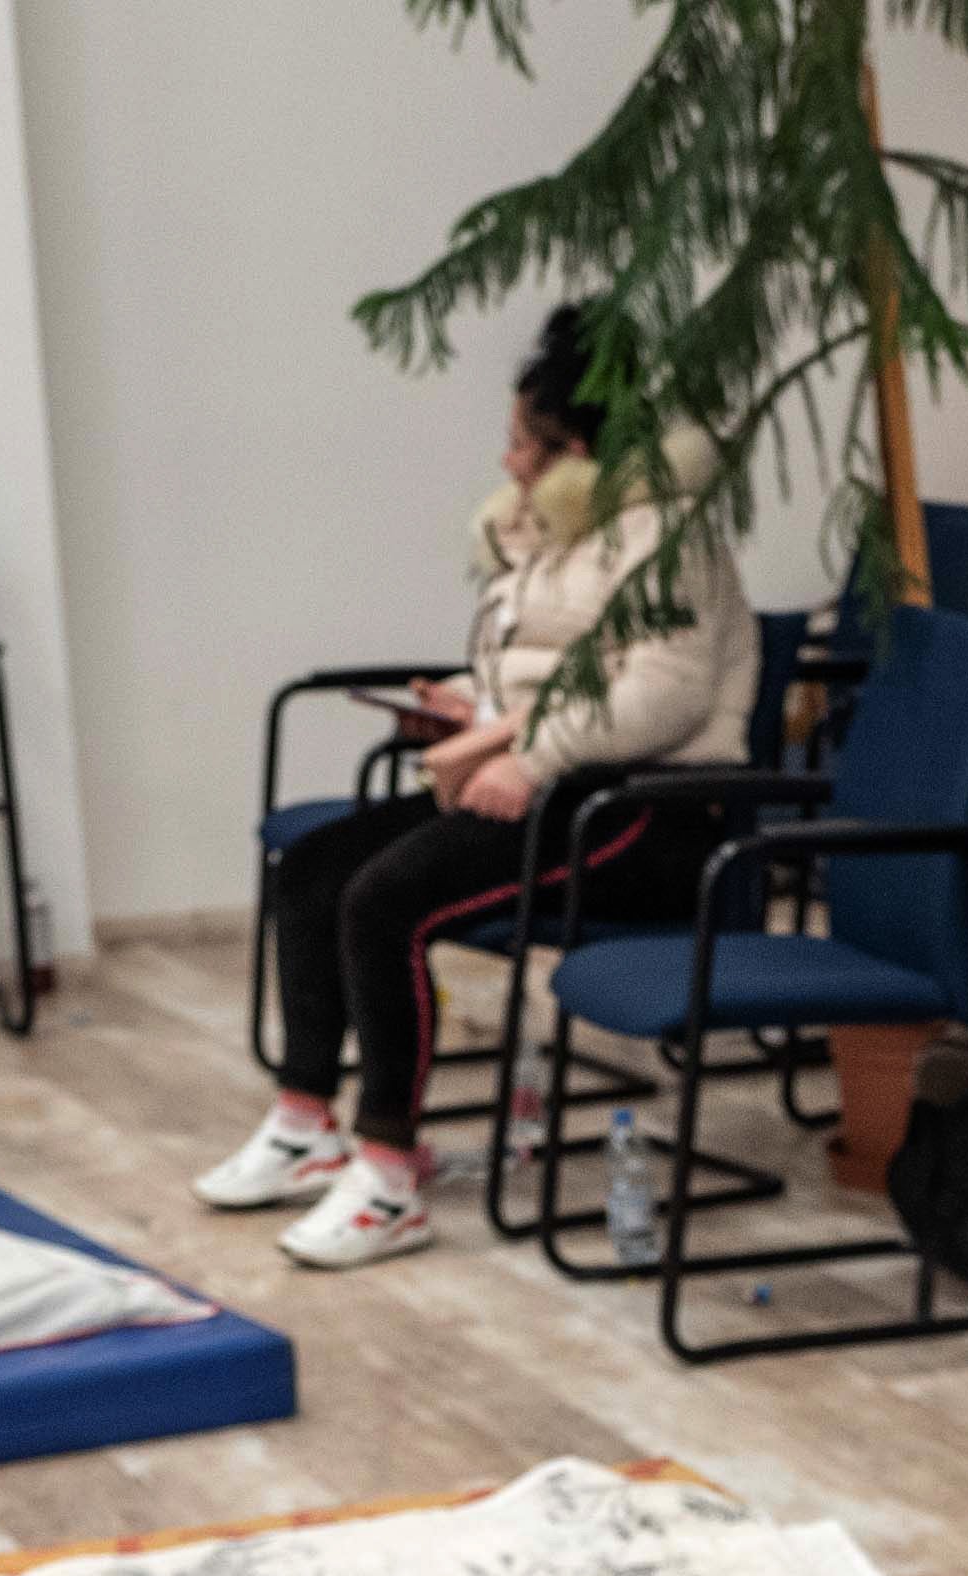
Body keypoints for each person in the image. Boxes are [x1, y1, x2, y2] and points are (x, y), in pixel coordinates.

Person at [193, 302, 750, 1272]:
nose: (508, 465)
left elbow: (661, 698)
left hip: (640, 813)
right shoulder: (556, 533)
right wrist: (460, 707)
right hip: (544, 783)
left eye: (522, 445)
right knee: (315, 868)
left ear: (577, 451)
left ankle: (389, 1173)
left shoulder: (668, 536)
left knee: (388, 900)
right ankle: (303, 1122)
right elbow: (538, 670)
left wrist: (529, 758)